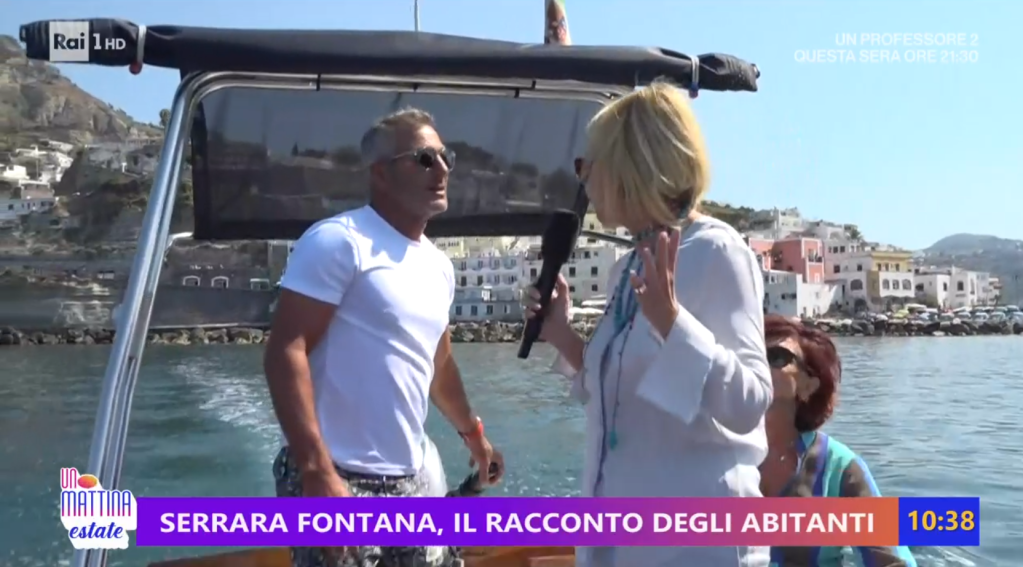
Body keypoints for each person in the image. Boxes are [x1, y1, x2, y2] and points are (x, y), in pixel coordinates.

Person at [523, 81, 772, 567]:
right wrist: (560, 333)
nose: (582, 179)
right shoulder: (627, 268)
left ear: (630, 167)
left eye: (587, 164)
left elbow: (750, 404)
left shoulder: (717, 252)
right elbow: (619, 395)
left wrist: (673, 323)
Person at [264, 107, 504, 567]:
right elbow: (285, 351)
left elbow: (439, 367)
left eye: (446, 157)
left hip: (409, 483)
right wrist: (316, 469)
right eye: (424, 158)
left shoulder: (439, 266)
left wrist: (475, 436)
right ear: (380, 173)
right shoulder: (339, 242)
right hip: (336, 475)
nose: (442, 169)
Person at [760, 315, 917, 567]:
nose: (756, 363)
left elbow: (891, 561)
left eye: (776, 357)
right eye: (752, 351)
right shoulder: (711, 453)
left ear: (808, 386)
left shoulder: (839, 468)